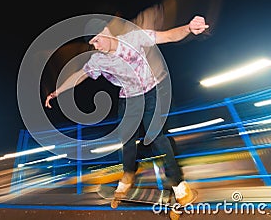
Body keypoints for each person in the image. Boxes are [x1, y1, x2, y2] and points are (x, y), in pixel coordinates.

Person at [44, 15, 209, 205]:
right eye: (92, 43)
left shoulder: (134, 38)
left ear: (106, 32)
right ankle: (128, 174)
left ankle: (178, 184)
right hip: (128, 99)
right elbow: (79, 75)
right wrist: (58, 91)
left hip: (150, 93)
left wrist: (188, 28)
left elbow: (167, 36)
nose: (96, 46)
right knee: (127, 140)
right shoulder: (98, 60)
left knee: (156, 137)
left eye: (97, 40)